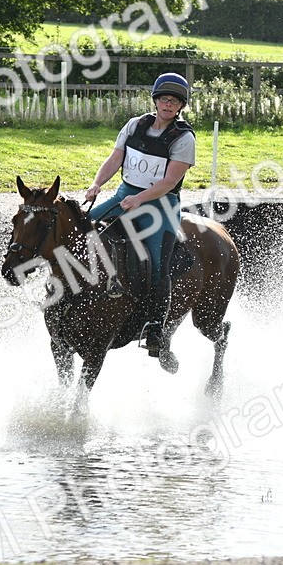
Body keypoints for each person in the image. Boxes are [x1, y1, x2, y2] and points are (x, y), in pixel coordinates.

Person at [85, 72, 196, 358]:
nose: (168, 105)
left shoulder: (184, 138)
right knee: (81, 229)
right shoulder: (135, 125)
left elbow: (169, 182)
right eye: (164, 99)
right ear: (156, 100)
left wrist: (140, 199)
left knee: (158, 266)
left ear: (180, 106)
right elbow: (114, 159)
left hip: (161, 207)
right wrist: (97, 184)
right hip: (125, 196)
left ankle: (155, 327)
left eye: (174, 101)